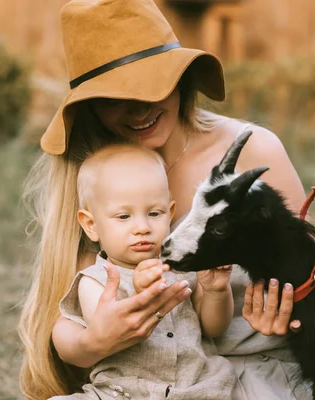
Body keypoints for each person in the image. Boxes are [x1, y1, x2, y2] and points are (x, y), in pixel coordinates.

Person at [18, 0, 311, 399]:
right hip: (142, 381)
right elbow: (69, 309)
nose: (140, 109)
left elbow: (312, 276)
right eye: (114, 97)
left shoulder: (253, 152)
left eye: (153, 85)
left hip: (258, 371)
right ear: (90, 109)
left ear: (181, 80)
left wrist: (290, 310)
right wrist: (96, 341)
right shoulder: (98, 176)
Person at [51, 144, 235, 399]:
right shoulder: (95, 280)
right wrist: (140, 291)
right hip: (121, 392)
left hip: (196, 388)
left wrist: (216, 291)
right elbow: (109, 329)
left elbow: (214, 328)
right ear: (91, 225)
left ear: (169, 214)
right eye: (124, 216)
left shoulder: (183, 269)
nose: (142, 227)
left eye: (154, 213)